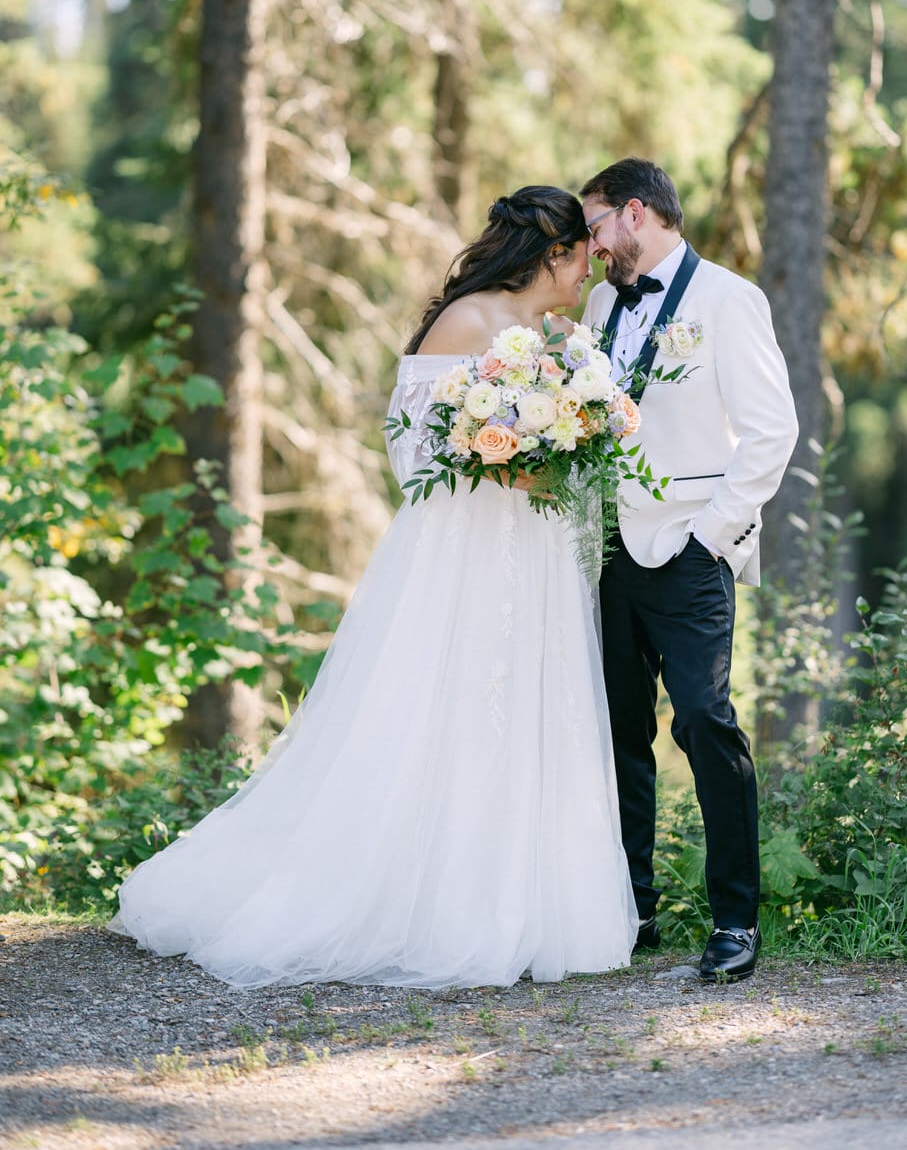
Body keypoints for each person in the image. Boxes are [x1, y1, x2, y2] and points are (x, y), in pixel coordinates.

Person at [111, 186, 637, 989]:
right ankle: (430, 904)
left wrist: (565, 453)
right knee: (450, 705)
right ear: (553, 253)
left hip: (535, 551)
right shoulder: (467, 320)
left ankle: (526, 904)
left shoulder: (556, 336)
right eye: (584, 259)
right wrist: (507, 460)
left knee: (528, 703)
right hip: (465, 546)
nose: (592, 275)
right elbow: (416, 451)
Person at [580, 158, 798, 983]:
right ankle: (634, 910)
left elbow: (771, 433)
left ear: (635, 214)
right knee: (619, 732)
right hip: (604, 551)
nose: (593, 245)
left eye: (598, 224)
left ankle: (734, 920)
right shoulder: (602, 303)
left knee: (705, 724)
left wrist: (709, 537)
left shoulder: (727, 300)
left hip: (690, 553)